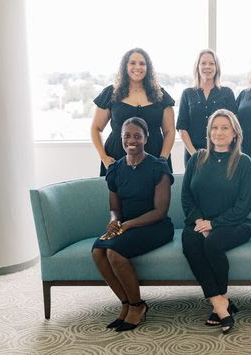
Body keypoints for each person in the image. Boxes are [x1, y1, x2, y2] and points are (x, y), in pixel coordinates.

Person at [91, 117, 174, 332]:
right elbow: (115, 208)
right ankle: (126, 303)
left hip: (156, 226)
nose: (132, 140)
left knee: (114, 253)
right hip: (125, 225)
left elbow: (160, 211)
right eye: (127, 136)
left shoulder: (158, 168)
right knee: (98, 251)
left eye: (137, 136)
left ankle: (138, 306)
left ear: (146, 138)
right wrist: (114, 221)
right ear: (121, 138)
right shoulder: (116, 169)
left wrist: (127, 225)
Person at [181, 109, 251, 334]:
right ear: (208, 132)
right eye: (214, 127)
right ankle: (219, 302)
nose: (218, 132)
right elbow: (186, 197)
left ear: (235, 133)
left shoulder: (243, 162)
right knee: (191, 243)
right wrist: (200, 221)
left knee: (211, 244)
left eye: (224, 128)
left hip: (235, 223)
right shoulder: (197, 158)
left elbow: (244, 206)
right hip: (198, 221)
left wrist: (213, 224)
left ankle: (220, 301)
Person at [90, 48, 175, 176]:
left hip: (155, 159)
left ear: (148, 68)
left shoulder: (161, 95)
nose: (137, 67)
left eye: (142, 63)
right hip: (117, 158)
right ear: (125, 66)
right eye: (133, 63)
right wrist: (104, 158)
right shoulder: (110, 93)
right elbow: (95, 128)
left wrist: (163, 158)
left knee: (157, 196)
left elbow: (170, 131)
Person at [177, 49, 236, 167]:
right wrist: (194, 154)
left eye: (211, 63)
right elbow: (182, 127)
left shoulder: (227, 93)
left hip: (222, 154)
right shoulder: (187, 93)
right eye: (203, 63)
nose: (207, 67)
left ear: (216, 67)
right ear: (197, 67)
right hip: (193, 154)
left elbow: (233, 127)